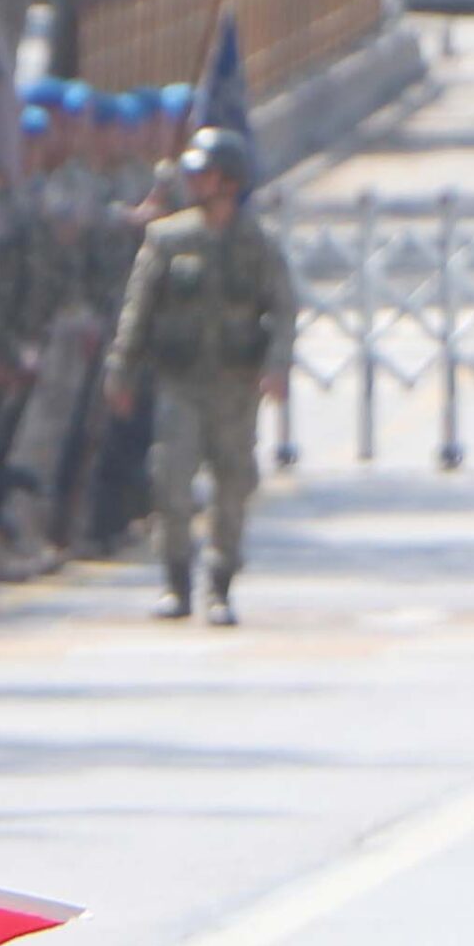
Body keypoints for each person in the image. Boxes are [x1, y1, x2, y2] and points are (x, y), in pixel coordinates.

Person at [102, 126, 293, 626]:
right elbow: (137, 309)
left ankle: (221, 581)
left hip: (234, 386)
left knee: (233, 485)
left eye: (204, 173)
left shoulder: (256, 243)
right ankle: (175, 581)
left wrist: (275, 366)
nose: (195, 181)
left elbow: (283, 309)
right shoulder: (167, 239)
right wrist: (121, 369)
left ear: (229, 180)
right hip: (180, 382)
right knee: (171, 480)